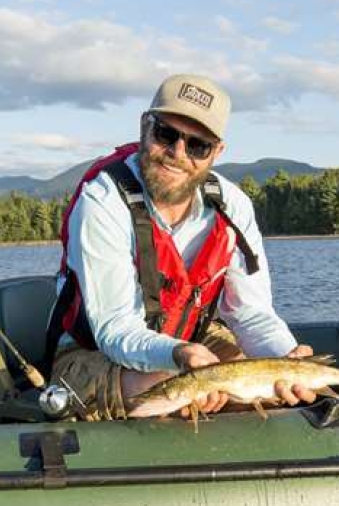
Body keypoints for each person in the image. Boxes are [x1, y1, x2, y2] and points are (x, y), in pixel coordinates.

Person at [44, 74, 317, 420]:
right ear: (145, 126)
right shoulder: (102, 200)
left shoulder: (233, 206)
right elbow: (115, 329)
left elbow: (251, 313)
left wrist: (286, 356)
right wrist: (180, 356)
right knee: (166, 388)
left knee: (265, 386)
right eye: (166, 134)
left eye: (198, 145)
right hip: (95, 350)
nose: (177, 154)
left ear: (217, 151)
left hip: (193, 345)